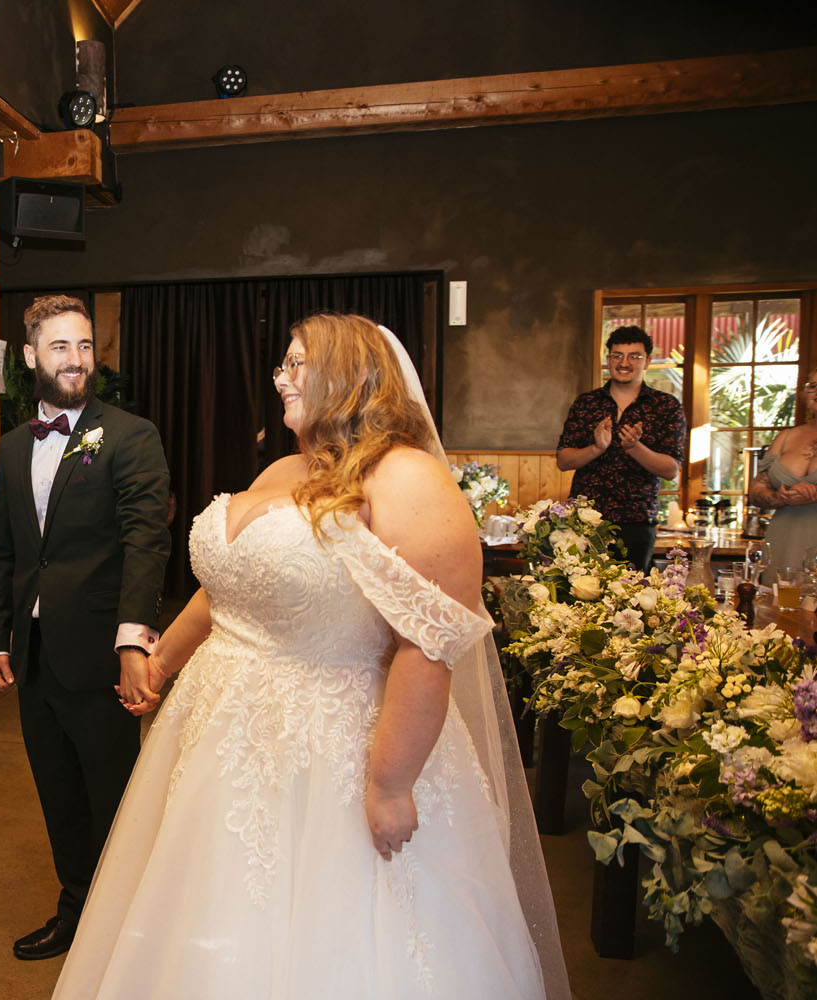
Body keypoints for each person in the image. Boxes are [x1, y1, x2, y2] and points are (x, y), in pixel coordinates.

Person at [51, 314, 568, 999]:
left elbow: (429, 642)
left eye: (296, 365)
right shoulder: (289, 467)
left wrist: (389, 785)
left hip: (335, 743)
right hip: (221, 736)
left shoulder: (409, 480)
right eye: (281, 367)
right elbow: (232, 587)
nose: (281, 380)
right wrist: (164, 658)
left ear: (353, 375)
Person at [0, 294, 172, 962]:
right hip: (32, 657)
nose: (77, 359)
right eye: (61, 347)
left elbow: (147, 542)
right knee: (59, 796)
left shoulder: (128, 435)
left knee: (114, 796)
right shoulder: (8, 448)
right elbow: (1, 548)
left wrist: (132, 641)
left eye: (85, 346)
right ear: (31, 356)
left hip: (98, 652)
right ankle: (76, 910)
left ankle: (128, 926)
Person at [556, 325, 686, 571]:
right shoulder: (587, 403)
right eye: (617, 355)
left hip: (637, 521)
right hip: (585, 520)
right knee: (579, 596)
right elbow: (563, 460)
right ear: (608, 360)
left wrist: (635, 448)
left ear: (647, 362)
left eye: (634, 356)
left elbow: (671, 470)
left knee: (633, 599)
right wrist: (596, 448)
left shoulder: (666, 406)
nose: (624, 362)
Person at [748, 367, 817, 583]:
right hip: (783, 541)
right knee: (778, 613)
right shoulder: (786, 437)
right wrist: (780, 498)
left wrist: (814, 495)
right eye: (813, 386)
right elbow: (756, 491)